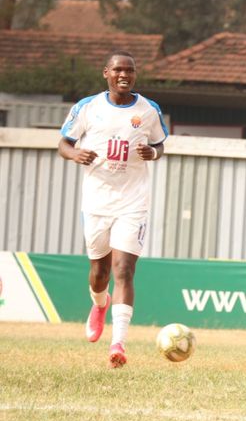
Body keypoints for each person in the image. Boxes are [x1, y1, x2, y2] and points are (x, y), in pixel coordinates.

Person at [58, 50, 168, 368]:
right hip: (96, 201)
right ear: (106, 72)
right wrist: (74, 153)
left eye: (130, 71)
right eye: (118, 70)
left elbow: (160, 143)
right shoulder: (88, 108)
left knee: (124, 270)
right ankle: (99, 303)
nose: (125, 75)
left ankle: (118, 343)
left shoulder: (148, 110)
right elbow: (63, 143)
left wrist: (153, 153)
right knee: (100, 273)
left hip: (133, 201)